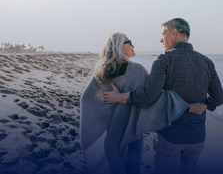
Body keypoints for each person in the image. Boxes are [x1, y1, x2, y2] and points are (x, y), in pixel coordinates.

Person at [104, 18, 223, 174]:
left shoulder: (164, 60)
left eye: (163, 34)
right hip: (197, 137)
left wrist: (121, 97)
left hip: (170, 136)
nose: (161, 39)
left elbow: (149, 95)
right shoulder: (207, 62)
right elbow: (218, 98)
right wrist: (202, 106)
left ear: (174, 33)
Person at [80, 32, 206, 174]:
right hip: (131, 131)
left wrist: (107, 111)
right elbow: (157, 98)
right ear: (119, 46)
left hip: (112, 134)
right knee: (132, 169)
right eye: (129, 42)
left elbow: (87, 99)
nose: (133, 45)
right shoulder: (137, 70)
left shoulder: (101, 72)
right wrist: (188, 107)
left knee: (112, 167)